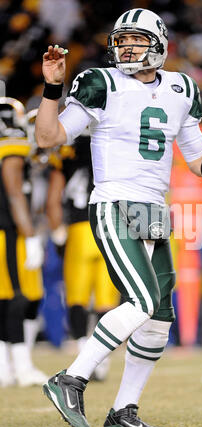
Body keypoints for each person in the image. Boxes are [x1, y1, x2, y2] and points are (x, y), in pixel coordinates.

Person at [35, 8, 202, 427]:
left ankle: (123, 412)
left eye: (136, 39)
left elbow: (194, 156)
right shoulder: (102, 82)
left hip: (154, 207)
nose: (127, 47)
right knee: (142, 300)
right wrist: (52, 87)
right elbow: (49, 138)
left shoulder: (182, 87)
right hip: (114, 201)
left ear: (160, 44)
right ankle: (70, 378)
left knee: (160, 316)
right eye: (122, 40)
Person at [46, 129, 120, 380]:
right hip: (109, 228)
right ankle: (101, 359)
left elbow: (54, 198)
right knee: (106, 299)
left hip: (79, 229)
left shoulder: (67, 152)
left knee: (77, 296)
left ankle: (81, 351)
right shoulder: (114, 144)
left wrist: (57, 230)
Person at [0, 97, 48, 387]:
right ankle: (22, 366)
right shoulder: (12, 142)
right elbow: (16, 193)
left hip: (6, 229)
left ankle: (7, 367)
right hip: (9, 230)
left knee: (7, 299)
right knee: (18, 297)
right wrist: (30, 236)